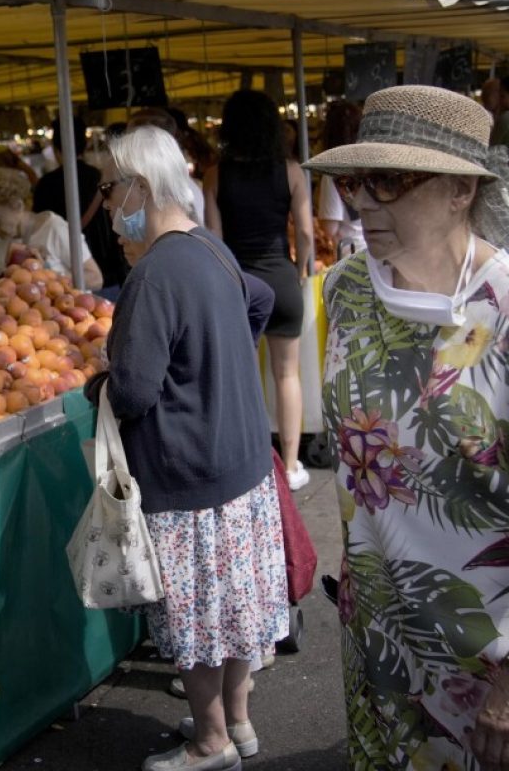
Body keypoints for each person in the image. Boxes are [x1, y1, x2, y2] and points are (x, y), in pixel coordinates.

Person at [305, 84, 509, 771]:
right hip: (377, 646)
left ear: (460, 193)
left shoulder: (504, 310)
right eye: (356, 180)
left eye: (389, 180)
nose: (361, 200)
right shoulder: (344, 291)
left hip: (485, 669)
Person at [88, 125, 288, 771]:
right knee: (231, 611)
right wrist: (216, 360)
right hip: (242, 465)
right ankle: (238, 720)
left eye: (109, 187)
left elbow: (136, 389)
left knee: (196, 625)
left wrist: (102, 382)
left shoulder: (154, 274)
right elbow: (258, 301)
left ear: (139, 187)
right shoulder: (209, 247)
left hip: (187, 476)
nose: (108, 202)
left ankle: (210, 742)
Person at [203, 89, 314, 491]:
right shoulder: (291, 171)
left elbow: (213, 236)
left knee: (242, 375)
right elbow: (303, 231)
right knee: (287, 374)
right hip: (282, 277)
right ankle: (291, 464)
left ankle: (252, 461)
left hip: (239, 283)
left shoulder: (216, 175)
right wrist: (299, 270)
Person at [32, 114, 129, 294]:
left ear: (55, 149)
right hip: (107, 271)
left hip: (65, 281)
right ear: (84, 145)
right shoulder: (102, 178)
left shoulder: (45, 185)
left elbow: (38, 227)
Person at [0, 166, 103, 289]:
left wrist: (47, 273)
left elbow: (95, 278)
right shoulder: (1, 241)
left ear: (17, 205)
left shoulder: (53, 228)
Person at [315, 99, 365, 255]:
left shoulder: (334, 172)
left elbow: (330, 228)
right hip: (378, 252)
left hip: (352, 254)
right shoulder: (372, 166)